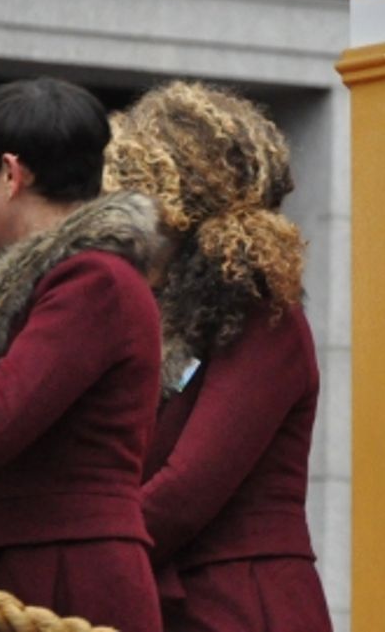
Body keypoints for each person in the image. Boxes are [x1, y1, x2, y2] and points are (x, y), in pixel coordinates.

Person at [102, 81, 332, 632]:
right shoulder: (172, 307)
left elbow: (186, 487)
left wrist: (84, 560)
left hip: (242, 606)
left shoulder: (264, 316)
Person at [0, 77, 164, 631]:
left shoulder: (94, 283)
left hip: (64, 580)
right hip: (23, 569)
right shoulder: (79, 279)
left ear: (9, 174)